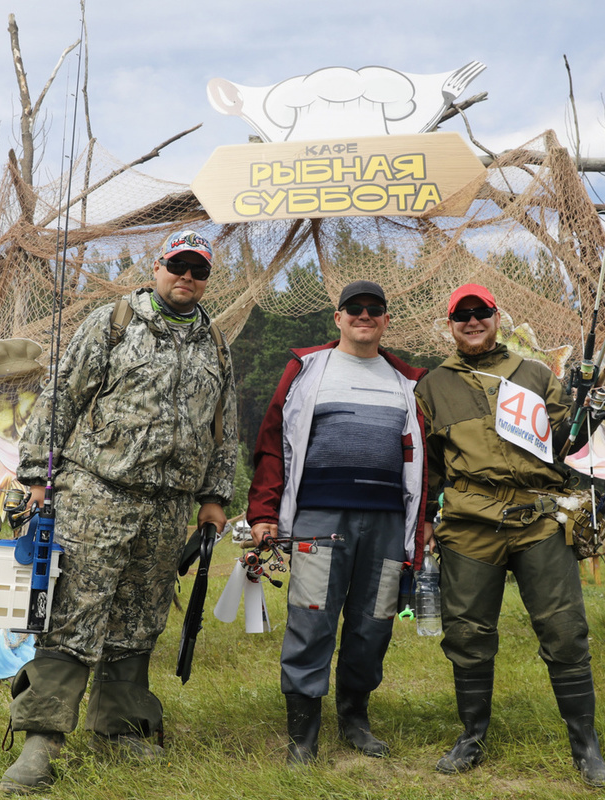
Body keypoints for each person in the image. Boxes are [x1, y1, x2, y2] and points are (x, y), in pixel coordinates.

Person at [1, 230, 238, 794]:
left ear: (206, 280)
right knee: (75, 613)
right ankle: (40, 741)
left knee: (138, 618)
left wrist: (213, 498)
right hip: (97, 494)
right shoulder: (114, 323)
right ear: (157, 268)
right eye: (177, 265)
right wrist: (35, 474)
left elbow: (222, 427)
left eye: (197, 270)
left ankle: (120, 730)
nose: (186, 277)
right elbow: (61, 397)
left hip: (169, 507)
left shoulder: (215, 345)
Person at [413, 283, 605, 788]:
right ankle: (471, 736)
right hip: (468, 523)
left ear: (495, 317)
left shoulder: (535, 374)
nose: (473, 321)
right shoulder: (431, 386)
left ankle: (585, 747)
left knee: (565, 632)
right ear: (451, 324)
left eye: (481, 312)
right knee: (466, 634)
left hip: (540, 518)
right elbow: (429, 465)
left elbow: (567, 445)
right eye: (462, 315)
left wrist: (591, 410)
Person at [246, 280, 428, 765]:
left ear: (386, 320)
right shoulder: (306, 369)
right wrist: (264, 514)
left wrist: (424, 527)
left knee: (375, 623)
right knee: (311, 618)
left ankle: (354, 719)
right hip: (319, 518)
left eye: (374, 309)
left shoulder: (408, 381)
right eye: (354, 308)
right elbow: (272, 444)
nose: (364, 315)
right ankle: (302, 738)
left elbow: (428, 462)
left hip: (388, 523)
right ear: (338, 317)